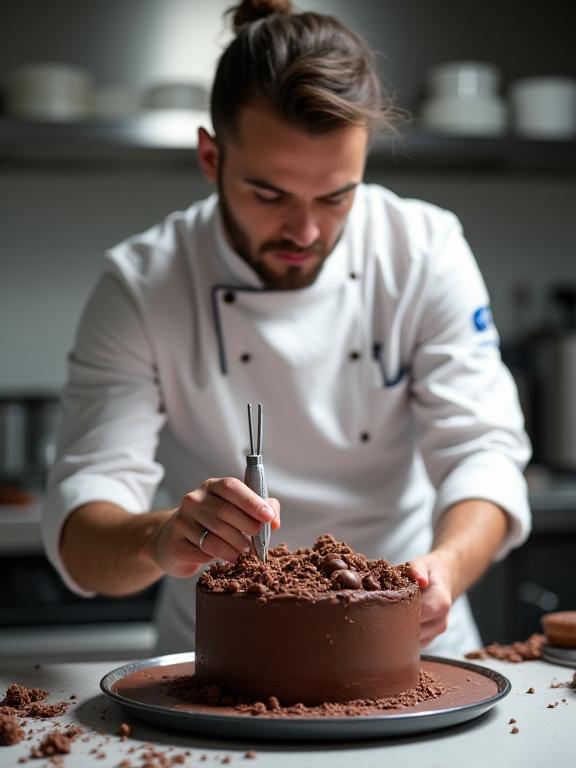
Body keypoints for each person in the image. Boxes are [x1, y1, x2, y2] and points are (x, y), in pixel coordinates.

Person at [42, 0, 531, 655]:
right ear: (211, 158)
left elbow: (485, 456)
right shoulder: (141, 284)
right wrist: (162, 536)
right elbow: (80, 530)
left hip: (409, 642)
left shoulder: (423, 252)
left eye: (336, 198)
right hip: (221, 660)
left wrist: (442, 571)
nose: (304, 233)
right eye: (269, 195)